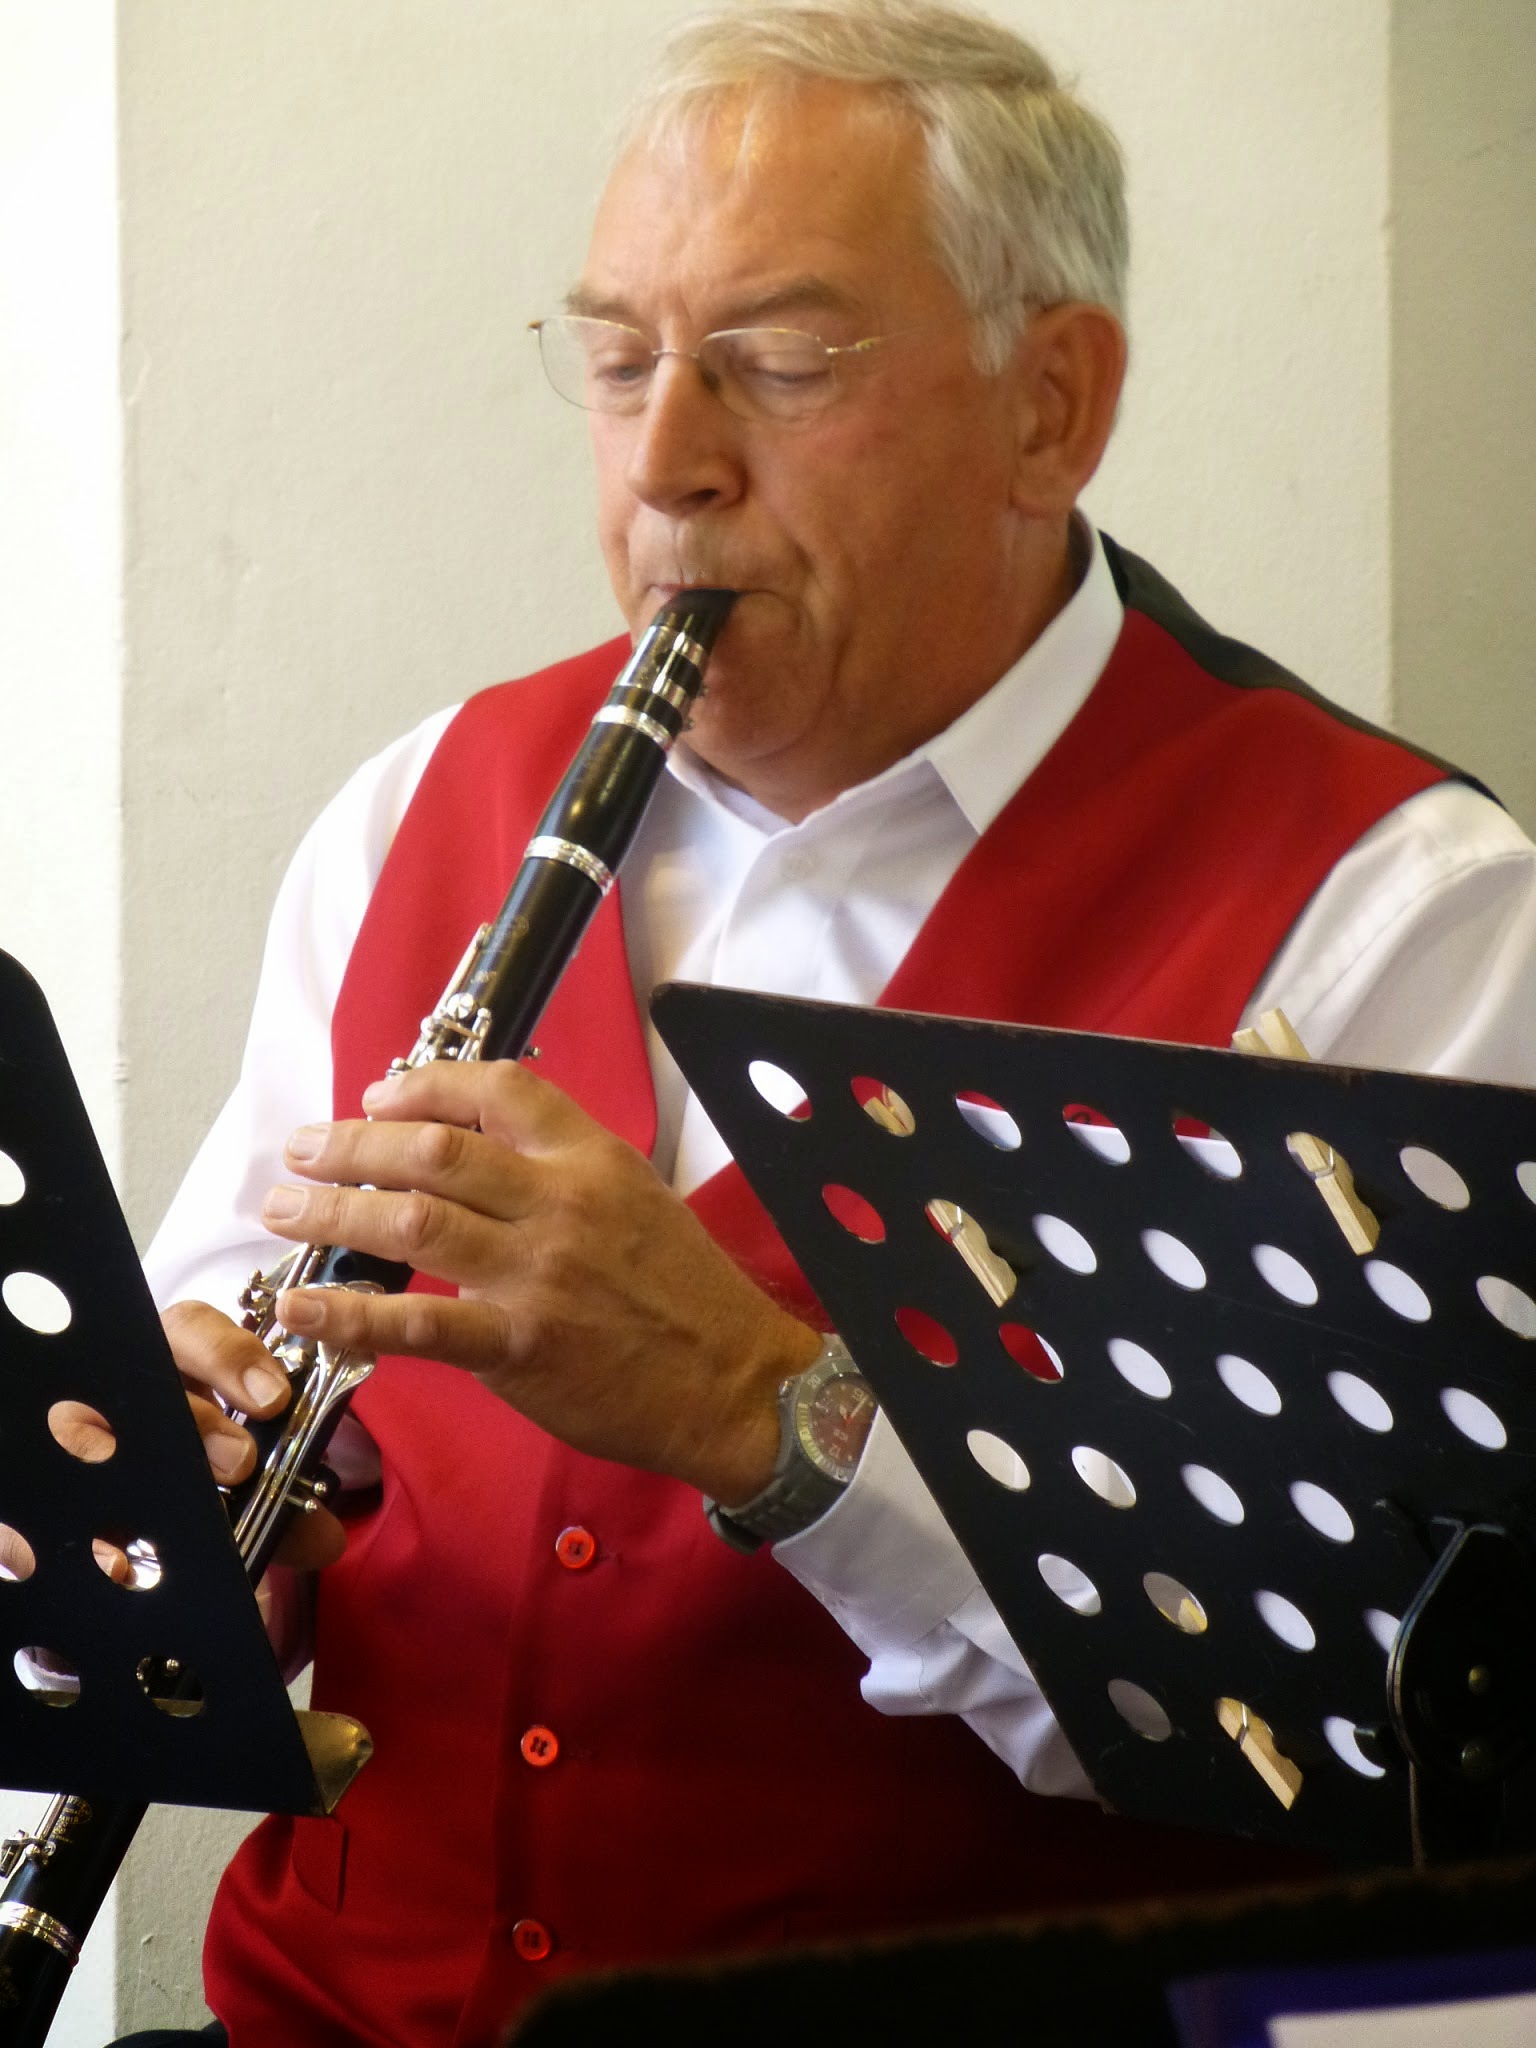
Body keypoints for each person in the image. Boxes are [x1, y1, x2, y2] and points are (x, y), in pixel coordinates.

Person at [135, 3, 1536, 2043]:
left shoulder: (1398, 915)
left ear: (1051, 407)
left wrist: (769, 1415)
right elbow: (214, 1432)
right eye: (616, 362)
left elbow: (1367, 1738)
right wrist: (158, 1524)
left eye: (782, 367)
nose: (665, 462)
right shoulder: (420, 805)